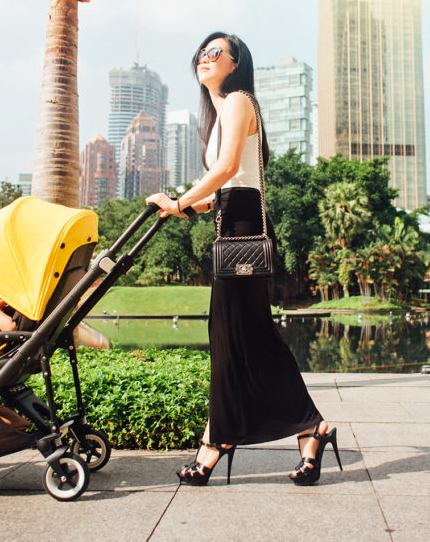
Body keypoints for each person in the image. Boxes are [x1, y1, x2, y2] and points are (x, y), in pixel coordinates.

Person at [146, 32, 341, 486]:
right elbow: (219, 191)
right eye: (201, 52)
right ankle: (306, 430)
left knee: (238, 336)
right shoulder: (217, 116)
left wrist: (179, 200)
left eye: (216, 52)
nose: (205, 58)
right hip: (232, 219)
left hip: (244, 227)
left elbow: (228, 170)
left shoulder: (238, 101)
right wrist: (184, 205)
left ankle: (221, 439)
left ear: (236, 64)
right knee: (241, 336)